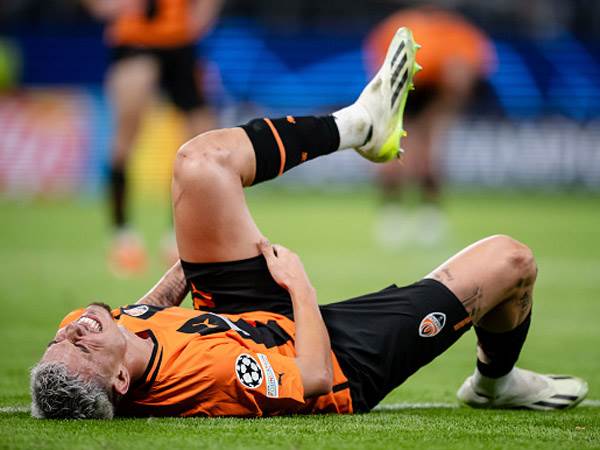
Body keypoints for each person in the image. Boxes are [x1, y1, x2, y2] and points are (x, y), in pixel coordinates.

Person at [30, 28, 587, 419]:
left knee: (199, 164)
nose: (74, 331)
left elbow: (142, 318)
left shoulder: (93, 325)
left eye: (61, 337)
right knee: (512, 261)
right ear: (121, 381)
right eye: (79, 348)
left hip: (231, 308)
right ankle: (494, 385)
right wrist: (299, 284)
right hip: (331, 358)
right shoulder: (210, 382)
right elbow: (313, 376)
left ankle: (357, 126)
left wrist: (186, 267)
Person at [84, 0, 223, 275]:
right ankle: (122, 234)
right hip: (135, 42)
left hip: (179, 42)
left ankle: (178, 237)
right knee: (126, 134)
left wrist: (200, 18)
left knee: (204, 139)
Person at [365, 7, 496, 247]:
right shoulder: (400, 26)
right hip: (401, 96)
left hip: (437, 97)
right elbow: (382, 74)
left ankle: (430, 216)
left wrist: (437, 114)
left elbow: (464, 80)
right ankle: (392, 214)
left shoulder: (459, 35)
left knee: (428, 158)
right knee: (392, 158)